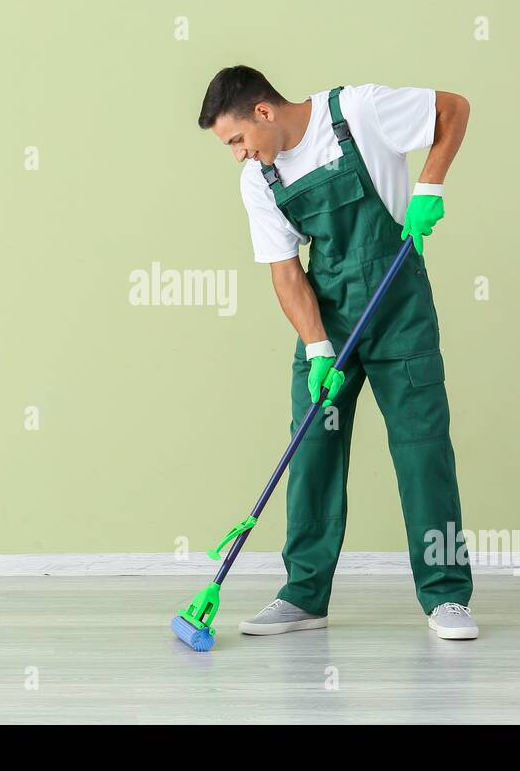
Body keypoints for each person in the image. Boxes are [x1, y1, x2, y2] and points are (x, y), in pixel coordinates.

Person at [197, 66, 478, 640]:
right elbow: (285, 272)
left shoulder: (356, 112)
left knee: (423, 449)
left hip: (400, 309)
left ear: (264, 113)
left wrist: (429, 186)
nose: (238, 155)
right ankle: (303, 596)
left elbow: (454, 108)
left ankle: (447, 597)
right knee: (313, 452)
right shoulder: (259, 180)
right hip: (328, 320)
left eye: (236, 140)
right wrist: (318, 349)